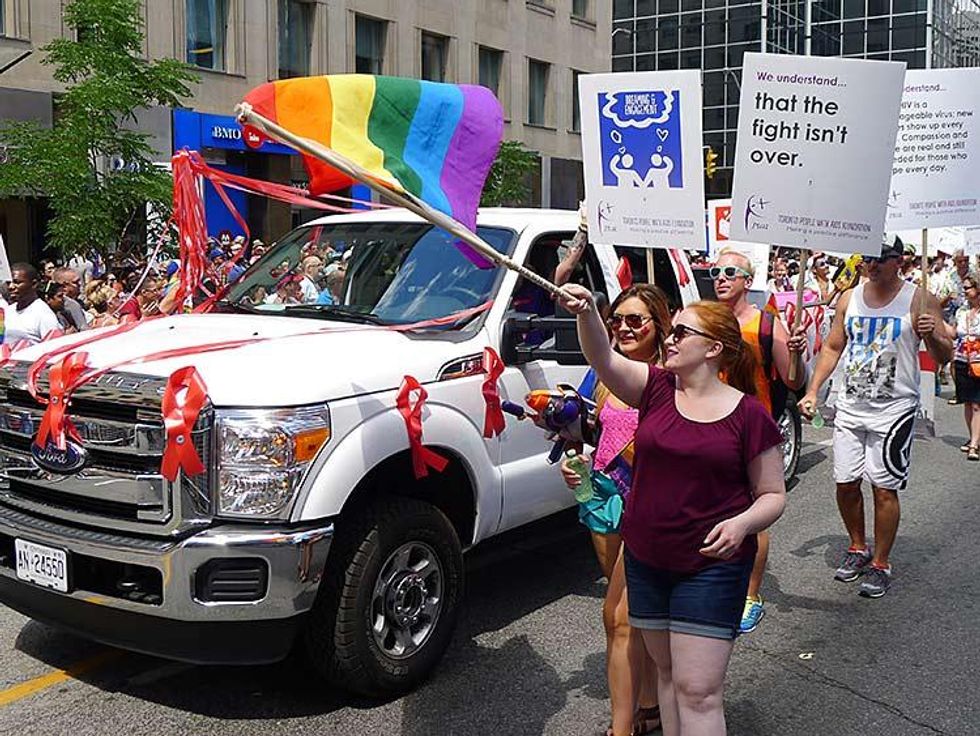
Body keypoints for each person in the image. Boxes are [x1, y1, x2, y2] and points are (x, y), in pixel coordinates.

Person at [561, 286, 786, 736]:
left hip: (710, 568)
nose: (670, 339)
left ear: (714, 349)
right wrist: (586, 311)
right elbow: (603, 359)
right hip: (648, 561)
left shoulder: (748, 415)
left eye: (682, 332)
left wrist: (741, 524)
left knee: (698, 692)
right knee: (666, 678)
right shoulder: (657, 388)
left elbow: (772, 495)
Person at [798, 237, 953, 599]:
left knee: (884, 487)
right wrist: (812, 390)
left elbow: (944, 356)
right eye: (865, 257)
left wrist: (933, 336)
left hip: (894, 408)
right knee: (845, 482)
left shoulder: (918, 298)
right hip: (851, 405)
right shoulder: (850, 298)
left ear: (899, 261)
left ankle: (881, 562)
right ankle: (857, 547)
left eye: (880, 258)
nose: (871, 264)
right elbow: (834, 345)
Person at [561, 285, 670, 736]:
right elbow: (583, 430)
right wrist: (575, 457)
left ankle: (623, 725)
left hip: (651, 507)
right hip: (603, 500)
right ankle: (648, 702)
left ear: (659, 326)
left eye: (635, 320)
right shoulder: (603, 376)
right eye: (617, 320)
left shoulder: (668, 379)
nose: (624, 327)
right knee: (631, 612)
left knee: (620, 615)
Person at [711, 248, 806, 634]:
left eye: (730, 272)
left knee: (753, 516)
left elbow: (794, 380)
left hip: (753, 431)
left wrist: (798, 354)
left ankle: (750, 595)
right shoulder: (706, 320)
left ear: (747, 282)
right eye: (715, 271)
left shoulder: (766, 325)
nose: (720, 277)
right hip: (709, 428)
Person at [950, 275, 980, 460]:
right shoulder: (961, 311)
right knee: (968, 402)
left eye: (968, 287)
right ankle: (973, 437)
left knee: (977, 404)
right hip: (962, 359)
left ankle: (974, 445)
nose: (965, 291)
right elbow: (954, 333)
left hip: (978, 361)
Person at [1, 263, 60, 345]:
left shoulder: (44, 314)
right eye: (8, 283)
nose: (11, 287)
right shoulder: (6, 312)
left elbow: (54, 349)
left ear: (34, 284)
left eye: (17, 282)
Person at [53, 267, 90, 331]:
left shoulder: (79, 301)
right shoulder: (71, 305)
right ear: (64, 286)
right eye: (75, 282)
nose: (80, 284)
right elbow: (84, 330)